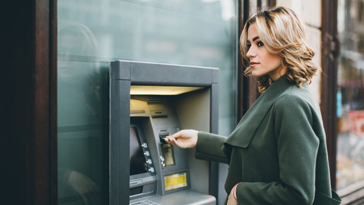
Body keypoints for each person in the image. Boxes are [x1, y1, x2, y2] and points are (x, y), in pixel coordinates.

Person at [165, 6, 342, 205]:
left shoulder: (290, 102)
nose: (249, 52)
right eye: (249, 44)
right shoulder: (283, 92)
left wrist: (241, 193)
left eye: (260, 43)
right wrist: (199, 139)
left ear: (283, 44)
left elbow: (298, 195)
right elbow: (256, 154)